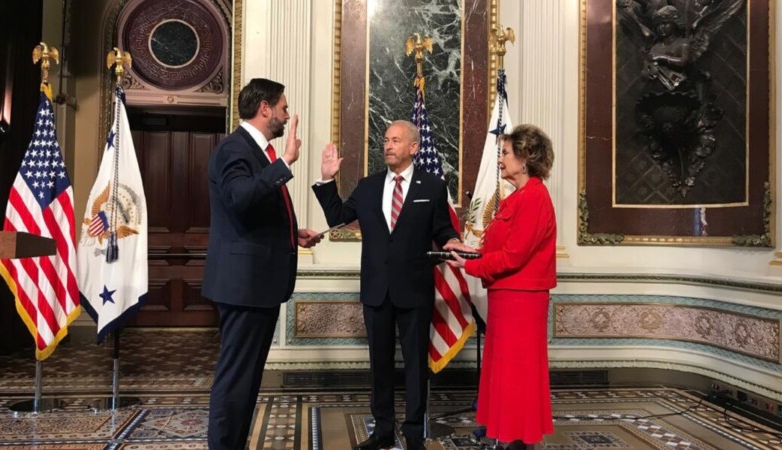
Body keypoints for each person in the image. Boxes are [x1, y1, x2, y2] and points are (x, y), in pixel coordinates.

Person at [313, 120, 472, 450]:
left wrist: (454, 241)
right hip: (376, 289)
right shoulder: (368, 186)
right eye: (386, 140)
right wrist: (327, 178)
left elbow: (443, 230)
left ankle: (414, 433)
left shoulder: (431, 187)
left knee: (415, 366)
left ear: (414, 148)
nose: (388, 145)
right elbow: (337, 217)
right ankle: (383, 430)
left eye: (396, 140)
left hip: (414, 289)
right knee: (379, 365)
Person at [203, 78, 322, 450]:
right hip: (244, 285)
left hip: (256, 285)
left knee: (248, 378)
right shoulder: (234, 150)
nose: (286, 116)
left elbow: (252, 213)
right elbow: (239, 198)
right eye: (283, 108)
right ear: (265, 108)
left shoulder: (256, 152)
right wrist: (285, 161)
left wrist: (292, 233)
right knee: (236, 377)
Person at [448, 124, 557, 449]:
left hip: (521, 300)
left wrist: (471, 266)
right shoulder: (519, 197)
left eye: (506, 153)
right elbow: (502, 247)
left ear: (525, 158)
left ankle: (518, 437)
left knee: (517, 372)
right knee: (505, 370)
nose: (500, 160)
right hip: (507, 297)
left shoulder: (534, 197)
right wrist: (473, 253)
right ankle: (504, 429)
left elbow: (514, 256)